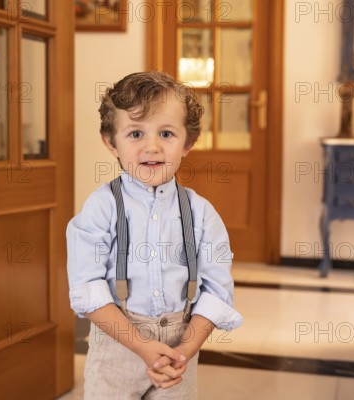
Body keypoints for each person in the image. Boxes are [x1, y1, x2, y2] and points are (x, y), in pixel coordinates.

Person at [67, 71, 243, 399]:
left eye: (166, 133)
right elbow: (87, 289)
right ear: (111, 142)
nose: (152, 146)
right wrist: (145, 348)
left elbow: (217, 292)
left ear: (188, 142)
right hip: (117, 347)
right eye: (135, 133)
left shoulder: (202, 213)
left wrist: (182, 354)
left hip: (181, 349)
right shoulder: (101, 208)